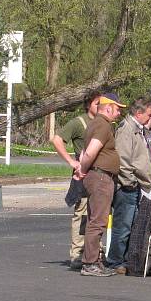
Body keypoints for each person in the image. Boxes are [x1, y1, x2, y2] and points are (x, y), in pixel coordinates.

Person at [73, 93, 126, 277]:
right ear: (108, 107)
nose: (119, 113)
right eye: (117, 109)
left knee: (96, 220)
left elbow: (85, 152)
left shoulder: (96, 123)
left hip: (99, 176)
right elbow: (90, 152)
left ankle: (93, 261)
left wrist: (83, 168)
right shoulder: (103, 125)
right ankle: (90, 263)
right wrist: (83, 169)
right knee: (97, 221)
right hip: (100, 177)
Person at [50, 89, 102, 270]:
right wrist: (71, 162)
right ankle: (77, 254)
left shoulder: (105, 123)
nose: (100, 107)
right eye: (97, 103)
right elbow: (57, 139)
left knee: (98, 214)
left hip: (101, 175)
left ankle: (95, 252)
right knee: (81, 213)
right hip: (84, 174)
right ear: (89, 104)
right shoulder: (79, 123)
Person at [105, 97, 151, 274]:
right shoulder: (126, 130)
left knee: (131, 225)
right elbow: (124, 160)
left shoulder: (138, 130)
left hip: (136, 185)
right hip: (127, 187)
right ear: (138, 113)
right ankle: (114, 261)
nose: (150, 118)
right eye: (148, 114)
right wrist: (130, 182)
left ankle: (126, 261)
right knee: (123, 226)